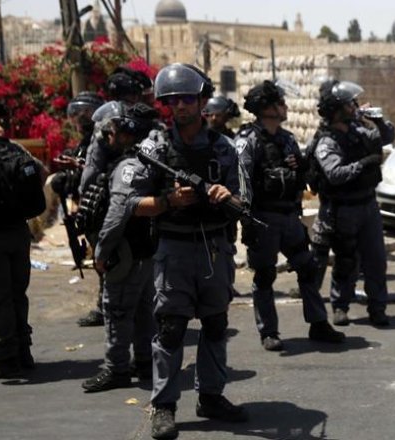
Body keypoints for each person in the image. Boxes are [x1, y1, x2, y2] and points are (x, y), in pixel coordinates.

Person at [121, 63, 249, 439]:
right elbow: (130, 203)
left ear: (202, 101)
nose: (179, 106)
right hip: (173, 249)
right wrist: (167, 201)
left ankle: (210, 396)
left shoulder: (224, 148)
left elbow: (244, 203)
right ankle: (163, 405)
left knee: (215, 324)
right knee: (171, 328)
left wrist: (229, 198)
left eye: (187, 99)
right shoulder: (154, 147)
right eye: (172, 100)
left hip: (214, 248)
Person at [235, 80, 345, 351]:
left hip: (289, 218)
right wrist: (246, 220)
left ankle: (318, 323)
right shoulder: (248, 140)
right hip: (263, 219)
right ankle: (268, 332)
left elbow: (304, 178)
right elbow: (243, 182)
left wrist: (303, 167)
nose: (285, 107)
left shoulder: (286, 139)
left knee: (307, 268)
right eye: (280, 103)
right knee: (264, 276)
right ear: (268, 108)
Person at [80, 102, 160, 392]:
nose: (107, 137)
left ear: (126, 134)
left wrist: (101, 253)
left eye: (112, 131)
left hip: (126, 252)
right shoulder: (149, 158)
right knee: (142, 312)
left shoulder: (127, 165)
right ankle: (144, 363)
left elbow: (117, 214)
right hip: (146, 251)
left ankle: (116, 369)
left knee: (116, 312)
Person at [308, 78, 395, 327]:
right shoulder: (327, 140)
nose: (354, 107)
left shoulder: (360, 130)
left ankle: (378, 308)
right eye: (349, 104)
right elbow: (335, 175)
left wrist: (377, 119)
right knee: (346, 260)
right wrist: (362, 165)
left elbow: (385, 136)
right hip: (341, 209)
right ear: (337, 110)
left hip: (368, 204)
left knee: (376, 260)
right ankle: (340, 306)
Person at [0, 85, 47, 380]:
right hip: (18, 234)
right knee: (18, 293)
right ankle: (23, 352)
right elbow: (40, 173)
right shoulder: (12, 148)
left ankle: (5, 360)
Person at [76, 68, 156, 328]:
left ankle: (109, 311)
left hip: (115, 199)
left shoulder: (108, 120)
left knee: (109, 256)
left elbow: (91, 170)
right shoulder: (147, 121)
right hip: (146, 201)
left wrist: (86, 194)